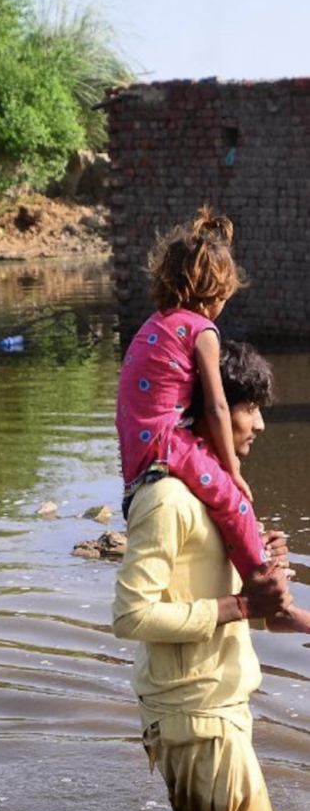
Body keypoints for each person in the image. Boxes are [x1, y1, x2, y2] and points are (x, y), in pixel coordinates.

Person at [114, 340, 310, 811]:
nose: (260, 425)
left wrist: (261, 572)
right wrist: (242, 605)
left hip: (210, 710)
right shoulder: (168, 498)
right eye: (249, 408)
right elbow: (131, 616)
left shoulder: (214, 494)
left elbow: (234, 602)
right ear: (211, 410)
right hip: (197, 717)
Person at [116, 208, 268, 581]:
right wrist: (233, 471)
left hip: (137, 446)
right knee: (235, 502)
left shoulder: (153, 324)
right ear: (218, 291)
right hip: (166, 443)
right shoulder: (201, 331)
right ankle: (265, 590)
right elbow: (217, 406)